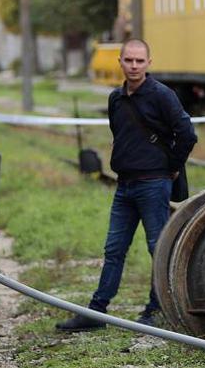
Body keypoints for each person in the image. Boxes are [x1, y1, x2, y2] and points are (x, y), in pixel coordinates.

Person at [57, 38, 195, 332]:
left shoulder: (162, 95)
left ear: (149, 63)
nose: (134, 66)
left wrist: (170, 168)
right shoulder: (116, 99)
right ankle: (97, 313)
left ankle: (157, 312)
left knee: (157, 249)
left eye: (139, 61)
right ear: (119, 61)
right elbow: (119, 133)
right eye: (129, 60)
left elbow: (187, 133)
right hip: (125, 186)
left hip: (153, 185)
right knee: (114, 249)